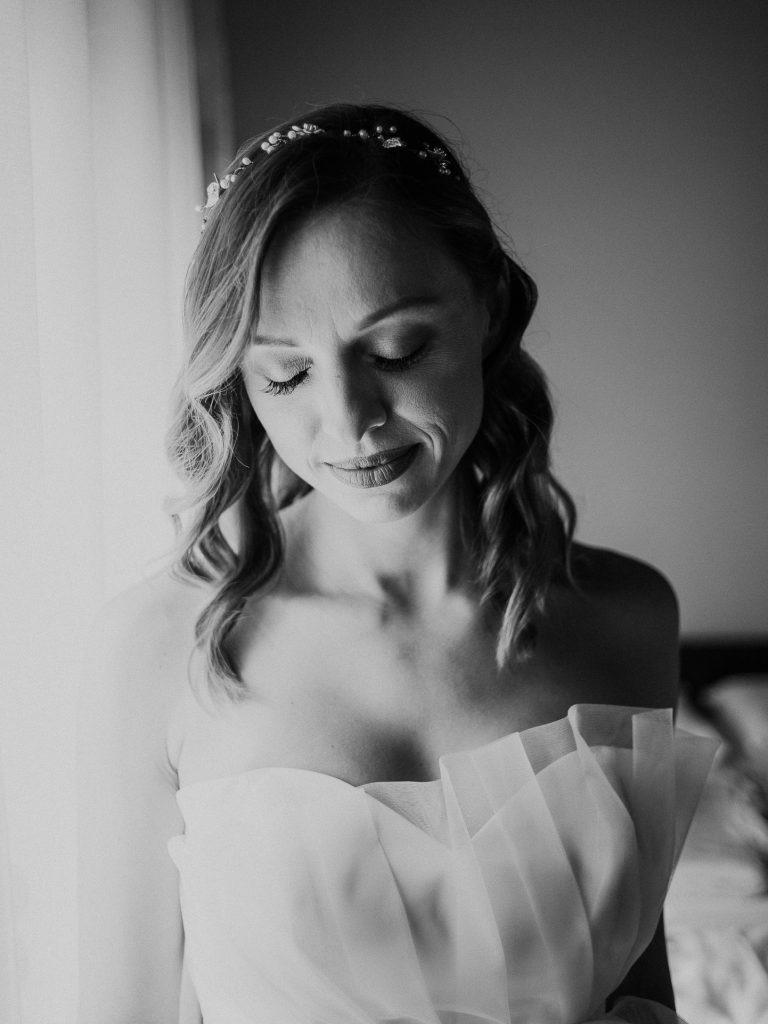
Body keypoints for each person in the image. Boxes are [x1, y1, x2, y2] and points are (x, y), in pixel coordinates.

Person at [77, 103, 716, 1024]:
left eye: (397, 349)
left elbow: (639, 992)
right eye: (286, 374)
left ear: (488, 307)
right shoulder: (157, 648)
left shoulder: (627, 618)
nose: (350, 422)